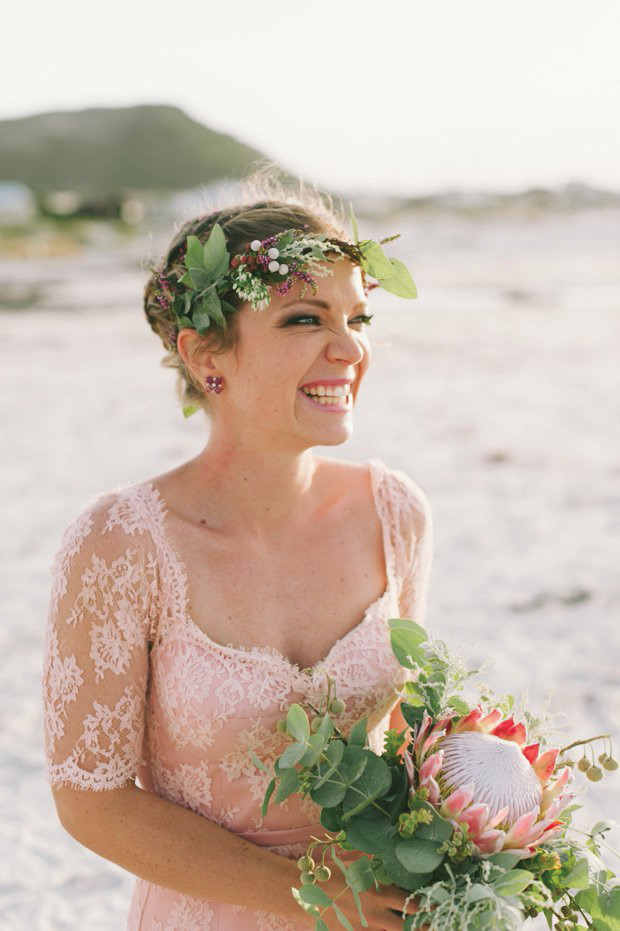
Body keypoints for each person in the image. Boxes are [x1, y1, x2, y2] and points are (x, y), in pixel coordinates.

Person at [41, 169, 434, 930]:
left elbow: (410, 727)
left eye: (358, 317)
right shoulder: (122, 543)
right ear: (204, 354)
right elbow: (91, 798)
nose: (349, 347)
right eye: (303, 320)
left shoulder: (396, 514)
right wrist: (319, 895)